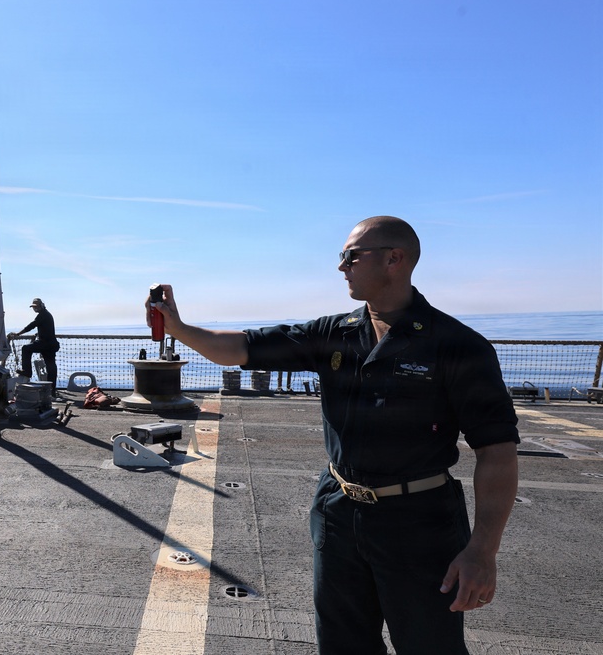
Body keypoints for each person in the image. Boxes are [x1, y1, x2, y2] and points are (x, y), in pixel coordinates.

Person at [148, 216, 519, 655]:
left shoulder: (458, 346)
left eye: (350, 256)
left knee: (429, 645)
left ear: (394, 259)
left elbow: (496, 451)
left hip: (419, 521)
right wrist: (180, 328)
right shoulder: (333, 333)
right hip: (339, 510)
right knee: (342, 644)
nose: (341, 267)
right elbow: (243, 347)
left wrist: (482, 550)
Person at [7, 297, 60, 393]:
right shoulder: (46, 314)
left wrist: (18, 334)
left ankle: (27, 371)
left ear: (41, 306)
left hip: (45, 344)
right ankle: (52, 390)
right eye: (33, 307)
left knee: (26, 348)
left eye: (36, 306)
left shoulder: (42, 315)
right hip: (50, 344)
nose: (35, 308)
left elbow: (32, 325)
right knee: (51, 366)